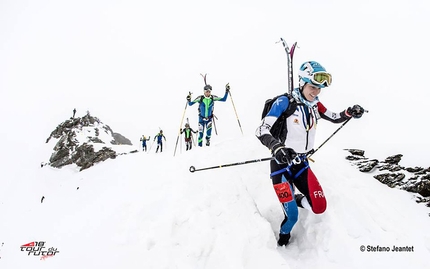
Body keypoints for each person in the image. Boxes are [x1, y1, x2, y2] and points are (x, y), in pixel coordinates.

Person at [255, 61, 365, 246]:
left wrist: (350, 112)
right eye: (313, 87)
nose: (316, 92)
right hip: (281, 166)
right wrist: (277, 147)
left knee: (319, 206)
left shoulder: (316, 105)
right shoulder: (284, 102)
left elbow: (336, 117)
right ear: (302, 83)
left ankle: (295, 199)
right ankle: (282, 243)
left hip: (301, 164)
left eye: (320, 88)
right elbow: (261, 130)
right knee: (292, 218)